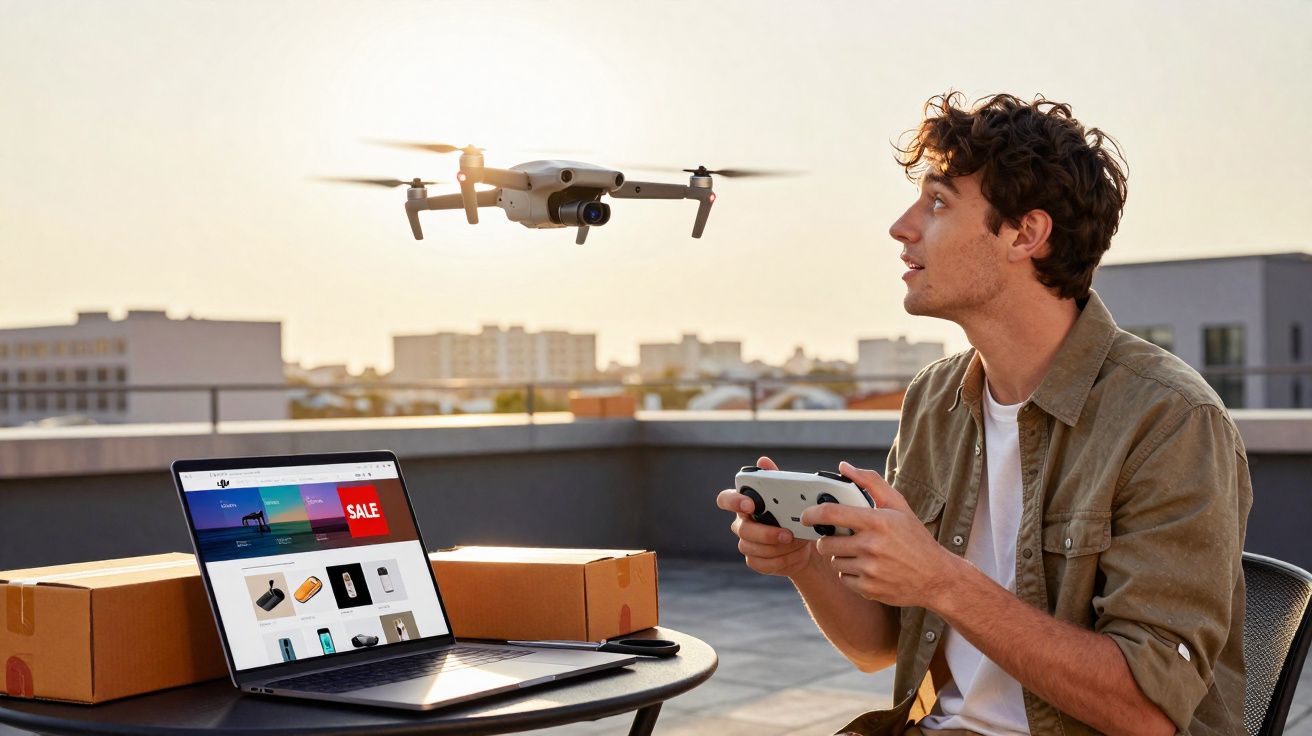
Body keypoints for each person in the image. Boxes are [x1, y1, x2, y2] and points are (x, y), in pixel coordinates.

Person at [716, 92, 1251, 736]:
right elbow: (882, 645)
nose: (902, 226)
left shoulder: (1171, 419)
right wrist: (804, 563)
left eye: (937, 202)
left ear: (1025, 234)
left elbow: (1148, 710)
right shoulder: (935, 400)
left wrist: (944, 580)